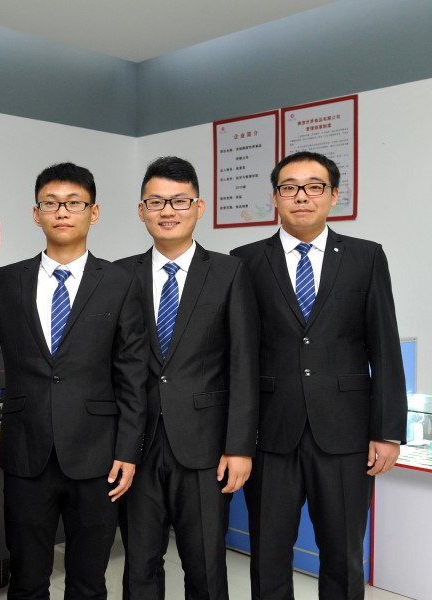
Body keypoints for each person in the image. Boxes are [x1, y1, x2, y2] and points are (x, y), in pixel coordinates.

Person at [0, 162, 148, 600]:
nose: (62, 211)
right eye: (51, 203)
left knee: (88, 583)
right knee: (27, 581)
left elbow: (133, 374)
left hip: (99, 456)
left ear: (93, 213)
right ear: (36, 213)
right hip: (27, 453)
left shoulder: (120, 283)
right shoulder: (8, 281)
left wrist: (128, 451)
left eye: (74, 203)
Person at [231, 151, 407, 599]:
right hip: (270, 433)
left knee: (343, 554)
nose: (302, 196)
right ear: (275, 198)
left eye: (314, 187)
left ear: (333, 195)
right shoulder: (244, 261)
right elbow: (239, 354)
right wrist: (236, 439)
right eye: (289, 187)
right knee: (268, 554)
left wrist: (388, 431)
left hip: (347, 433)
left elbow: (385, 347)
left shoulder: (366, 257)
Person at [116, 156, 259, 599]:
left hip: (206, 446)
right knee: (139, 564)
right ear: (141, 210)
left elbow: (244, 363)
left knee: (205, 564)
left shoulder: (229, 272)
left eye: (179, 201)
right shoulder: (119, 275)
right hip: (136, 445)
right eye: (156, 201)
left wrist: (239, 446)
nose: (167, 211)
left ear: (199, 207)